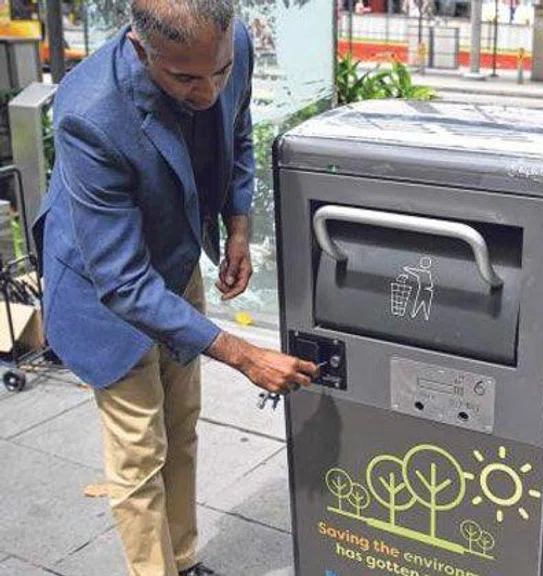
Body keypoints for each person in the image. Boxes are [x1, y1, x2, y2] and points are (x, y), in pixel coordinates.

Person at [31, 1, 319, 574]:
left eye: (217, 71)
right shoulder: (89, 112)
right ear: (141, 49)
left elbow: (237, 131)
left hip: (175, 257)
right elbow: (122, 280)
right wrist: (243, 354)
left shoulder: (225, 48)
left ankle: (183, 560)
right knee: (140, 446)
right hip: (104, 288)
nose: (207, 90)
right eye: (185, 77)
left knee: (181, 422)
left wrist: (238, 225)